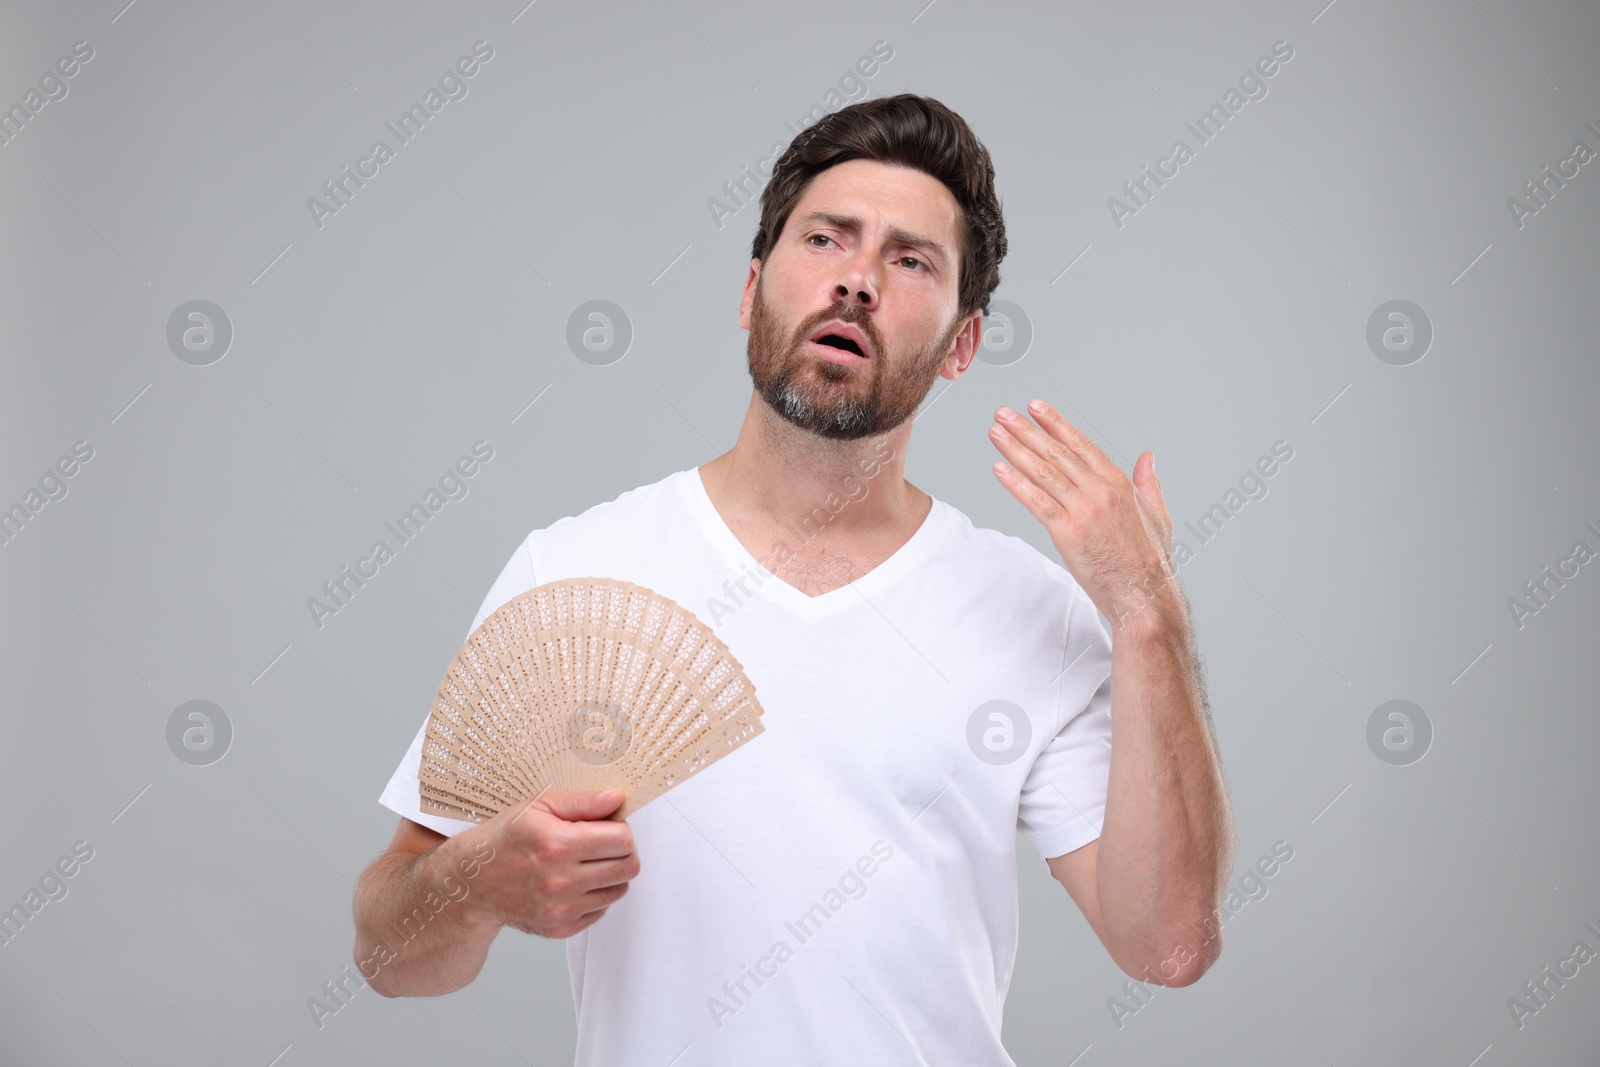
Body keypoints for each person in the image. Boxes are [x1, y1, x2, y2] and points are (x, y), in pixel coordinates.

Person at [352, 93, 1234, 1065]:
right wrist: (480, 879)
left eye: (910, 260)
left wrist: (1148, 613)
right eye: (826, 238)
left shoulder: (1028, 609)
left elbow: (1169, 944)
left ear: (962, 344)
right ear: (750, 289)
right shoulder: (574, 569)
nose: (856, 279)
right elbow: (386, 951)